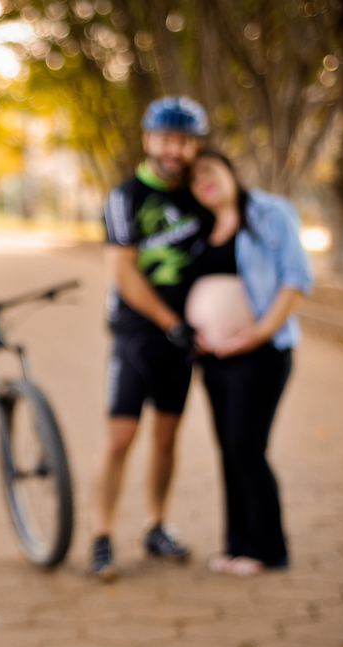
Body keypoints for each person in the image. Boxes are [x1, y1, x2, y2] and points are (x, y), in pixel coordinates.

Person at [90, 96, 211, 581]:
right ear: (148, 139)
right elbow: (123, 273)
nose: (173, 150)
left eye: (183, 140)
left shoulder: (200, 194)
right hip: (137, 335)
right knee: (121, 437)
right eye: (165, 139)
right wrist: (170, 322)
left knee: (166, 435)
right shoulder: (126, 196)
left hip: (183, 339)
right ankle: (101, 535)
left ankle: (156, 526)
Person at [185, 150, 312, 575]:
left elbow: (296, 278)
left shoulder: (270, 212)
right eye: (193, 178)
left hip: (261, 354)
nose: (202, 180)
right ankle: (237, 544)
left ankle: (269, 549)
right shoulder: (201, 227)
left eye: (209, 170)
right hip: (214, 360)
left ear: (229, 170)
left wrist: (257, 333)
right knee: (228, 450)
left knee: (246, 446)